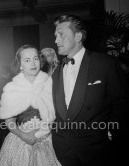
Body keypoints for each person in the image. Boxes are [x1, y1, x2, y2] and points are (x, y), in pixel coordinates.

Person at [51, 14, 129, 166]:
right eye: (55, 35)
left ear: (78, 36)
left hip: (95, 149)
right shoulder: (56, 71)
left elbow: (123, 103)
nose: (56, 40)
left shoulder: (105, 63)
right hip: (63, 149)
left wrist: (111, 131)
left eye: (61, 35)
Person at [0, 44, 61, 166]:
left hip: (48, 140)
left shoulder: (49, 84)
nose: (33, 63)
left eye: (35, 58)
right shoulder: (12, 88)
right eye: (27, 60)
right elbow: (9, 120)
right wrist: (24, 136)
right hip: (21, 141)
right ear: (20, 65)